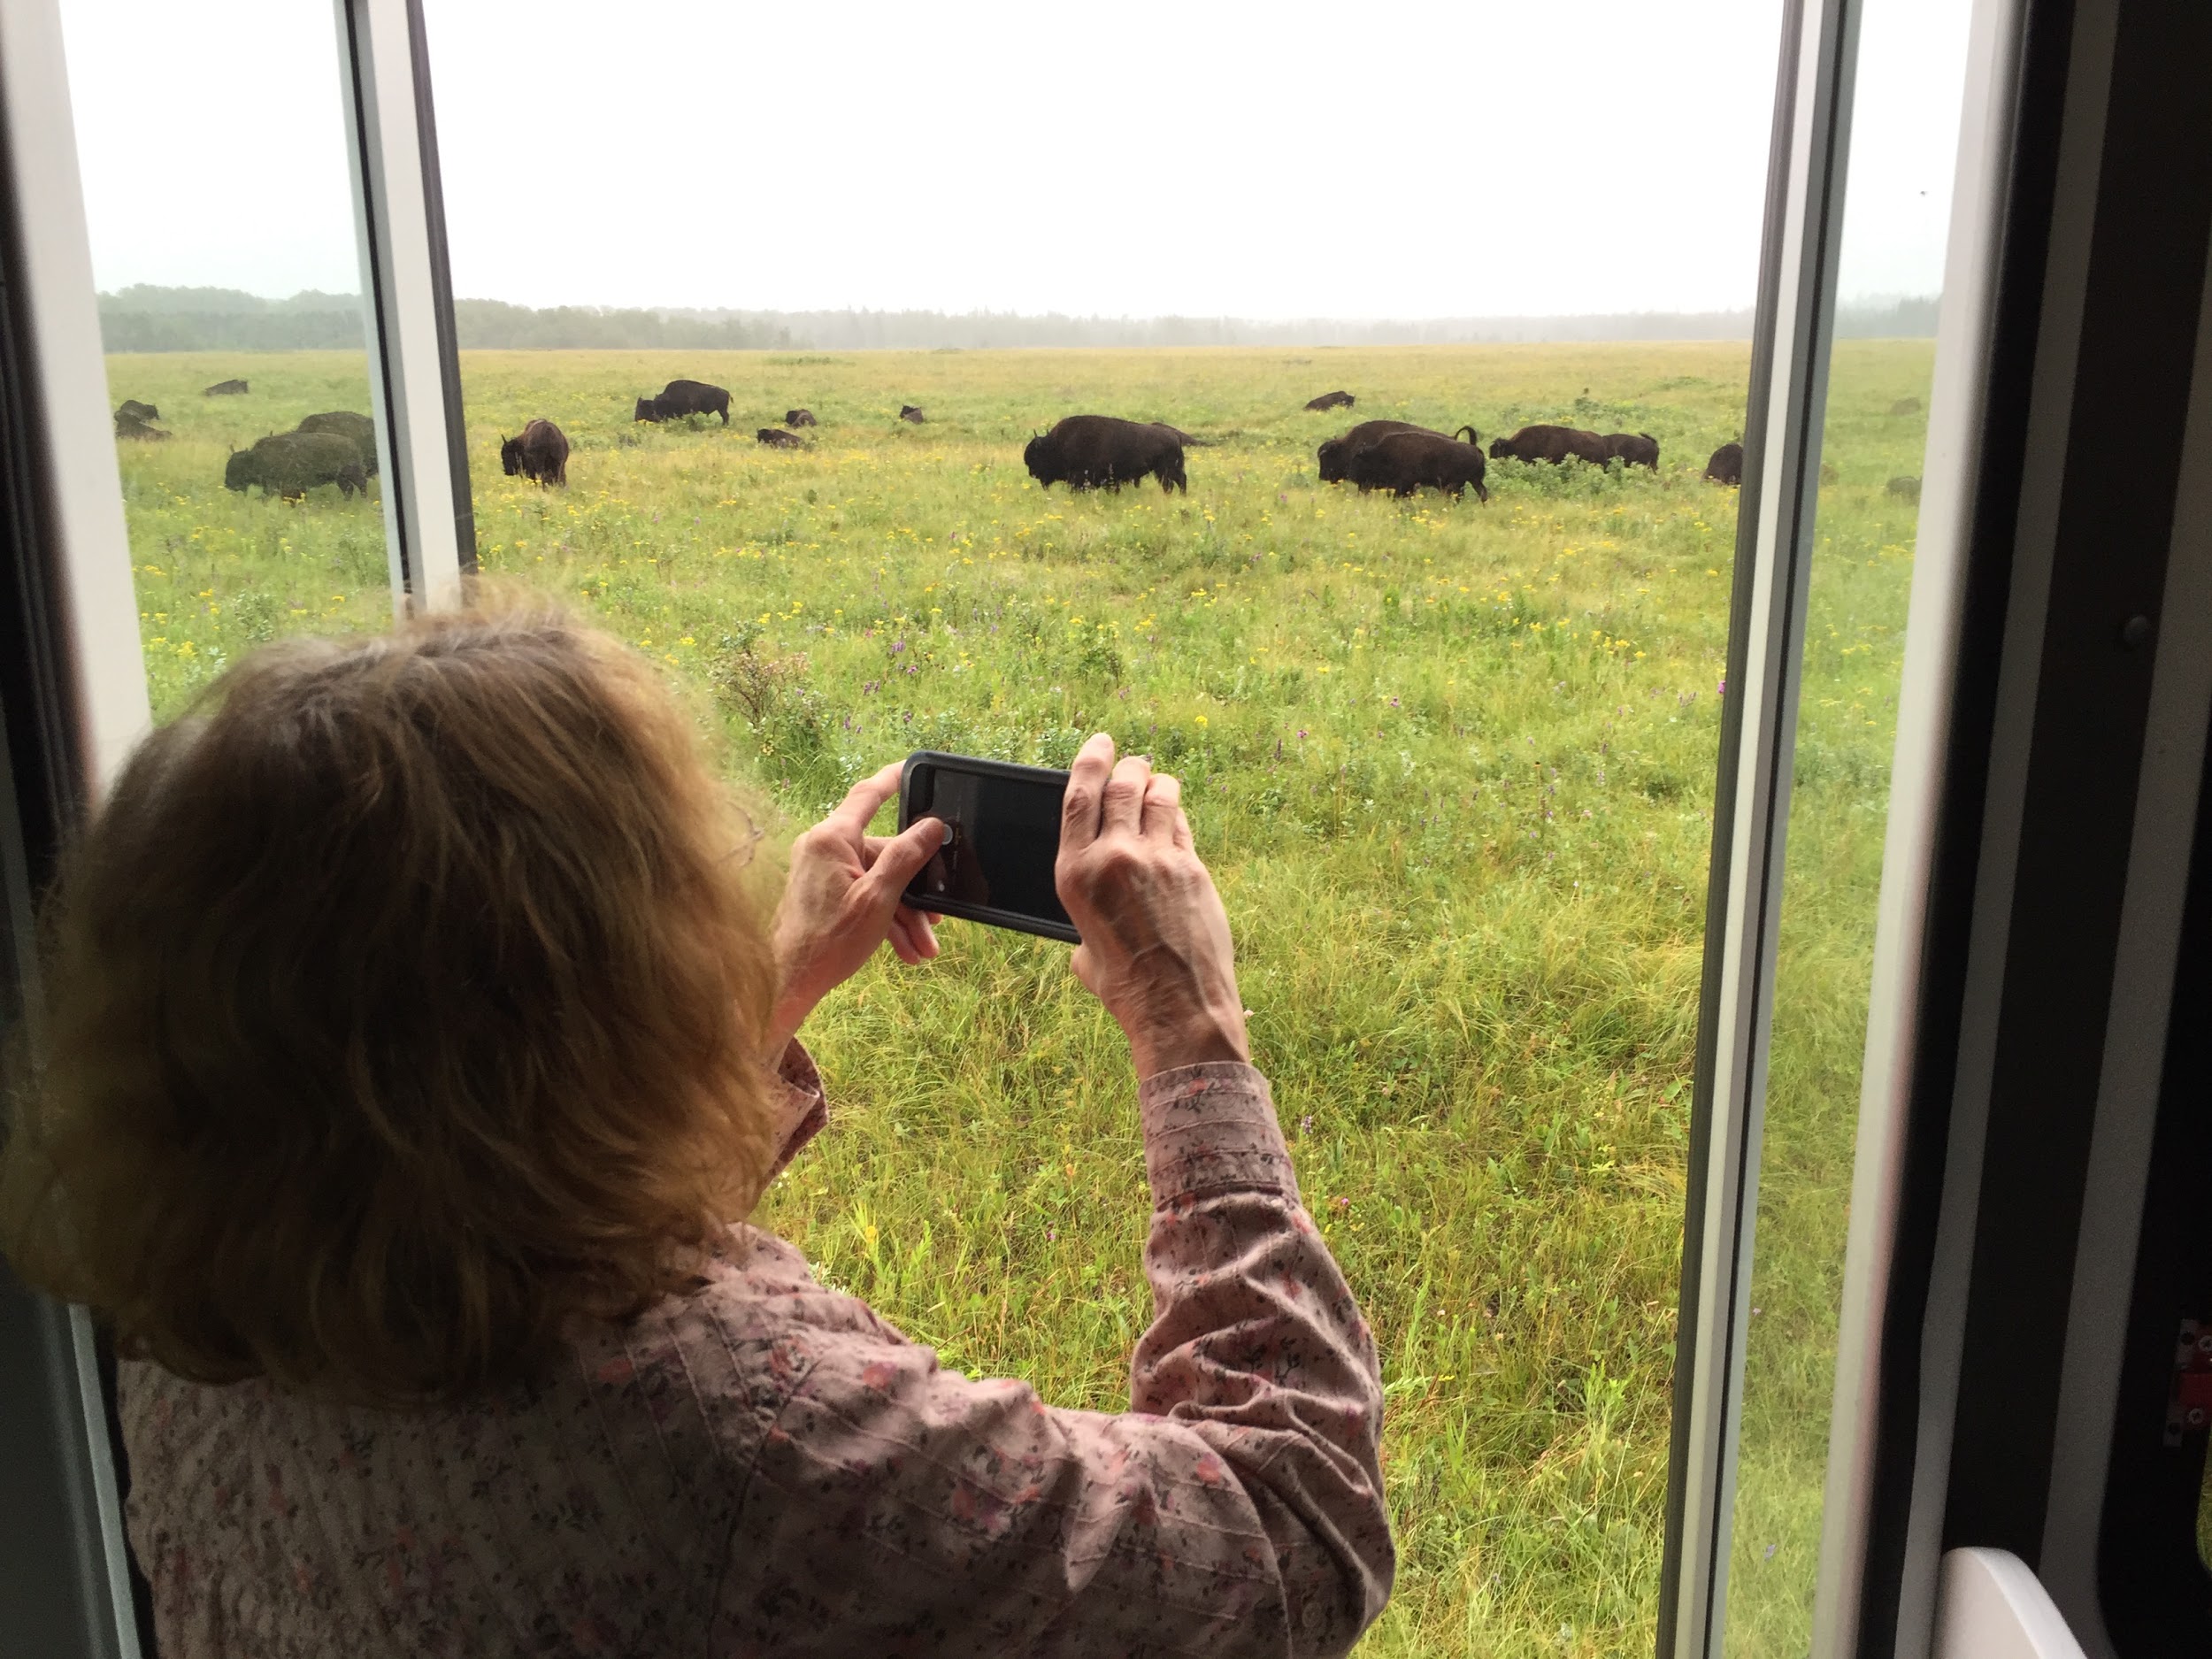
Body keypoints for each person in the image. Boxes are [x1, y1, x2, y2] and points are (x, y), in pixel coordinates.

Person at [0, 607, 1393, 1657]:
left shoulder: (188, 1311)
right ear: (611, 979)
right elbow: (1291, 1538)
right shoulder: (747, 1435)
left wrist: (770, 997)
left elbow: (488, 1199)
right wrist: (1187, 1018)